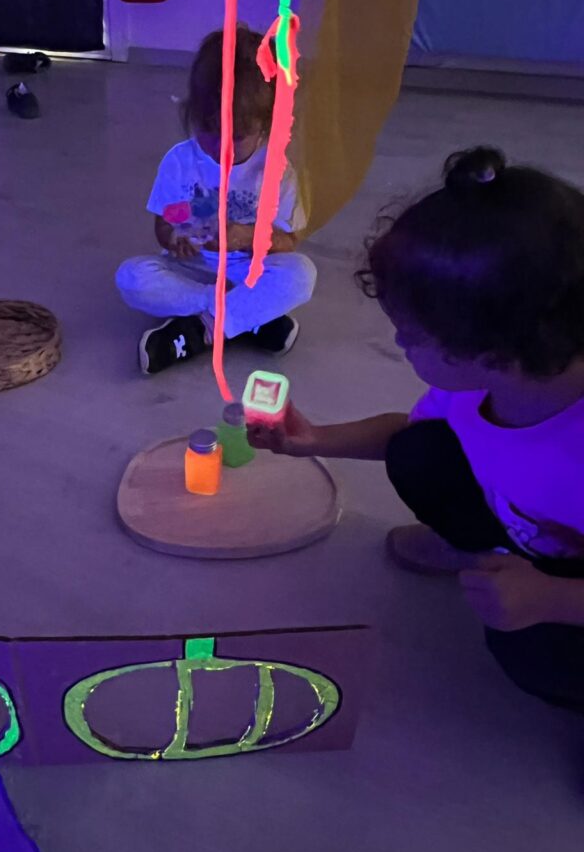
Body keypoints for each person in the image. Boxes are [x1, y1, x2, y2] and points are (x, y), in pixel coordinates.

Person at [249, 147, 584, 713]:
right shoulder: (483, 384)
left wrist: (551, 597)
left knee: (531, 652)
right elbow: (408, 432)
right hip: (526, 526)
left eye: (412, 334)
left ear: (492, 350)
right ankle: (479, 547)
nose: (400, 343)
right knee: (416, 451)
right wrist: (314, 440)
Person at [116, 25, 316, 375]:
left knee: (301, 274)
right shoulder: (180, 162)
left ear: (265, 126)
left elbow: (288, 241)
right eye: (211, 131)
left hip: (247, 270)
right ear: (193, 115)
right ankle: (247, 317)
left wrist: (246, 237)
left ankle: (201, 329)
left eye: (237, 137)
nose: (222, 147)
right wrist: (174, 237)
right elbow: (164, 223)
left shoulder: (277, 171)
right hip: (193, 269)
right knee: (132, 277)